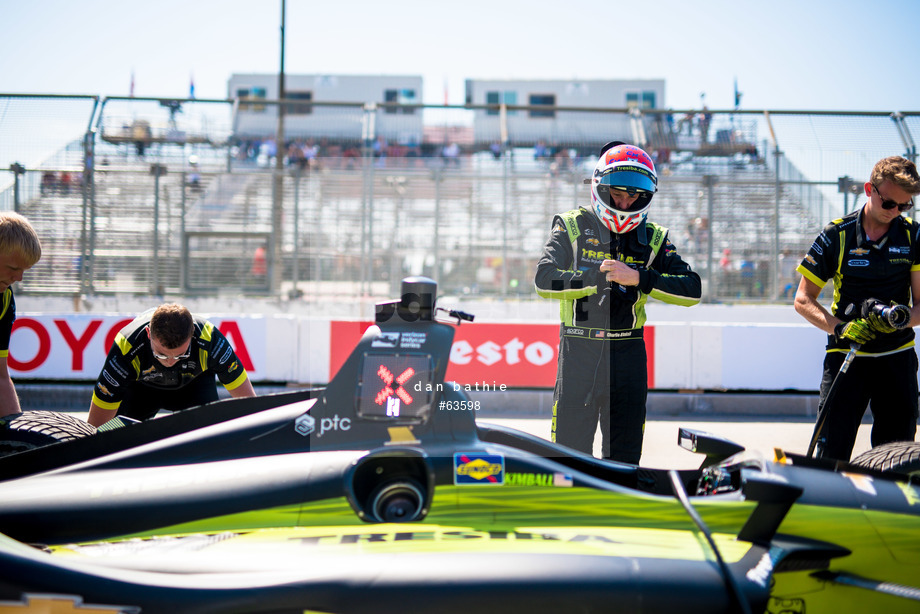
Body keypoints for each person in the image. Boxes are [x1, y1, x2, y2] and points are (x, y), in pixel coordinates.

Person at [534, 142, 701, 463]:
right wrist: (597, 277)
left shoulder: (654, 237)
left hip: (628, 355)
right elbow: (543, 280)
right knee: (569, 459)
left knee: (624, 461)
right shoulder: (571, 225)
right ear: (599, 186)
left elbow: (692, 290)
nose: (625, 202)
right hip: (578, 350)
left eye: (634, 196)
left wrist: (638, 278)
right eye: (618, 194)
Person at [795, 155, 920, 461]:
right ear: (869, 189)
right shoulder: (837, 235)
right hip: (846, 356)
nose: (896, 212)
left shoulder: (914, 235)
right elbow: (802, 300)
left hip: (897, 357)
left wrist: (897, 322)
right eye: (890, 203)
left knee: (898, 457)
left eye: (905, 206)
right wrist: (841, 328)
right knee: (830, 454)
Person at [86, 303, 256, 427]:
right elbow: (95, 428)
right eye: (161, 354)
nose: (171, 362)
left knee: (209, 434)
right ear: (148, 333)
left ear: (192, 335)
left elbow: (250, 405)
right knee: (114, 436)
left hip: (194, 385)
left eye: (182, 355)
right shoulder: (127, 346)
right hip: (141, 390)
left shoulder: (209, 338)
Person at [0, 213, 42, 419]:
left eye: (24, 271)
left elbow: (0, 377)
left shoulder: (4, 299)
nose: (18, 278)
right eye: (13, 268)